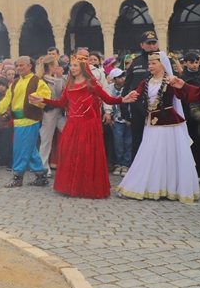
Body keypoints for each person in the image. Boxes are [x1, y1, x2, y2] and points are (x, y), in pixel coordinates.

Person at [30, 56, 137, 199]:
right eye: (71, 65)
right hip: (73, 124)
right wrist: (43, 99)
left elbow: (107, 99)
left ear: (82, 67)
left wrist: (123, 99)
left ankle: (86, 187)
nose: (72, 68)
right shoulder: (69, 83)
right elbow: (62, 103)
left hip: (88, 124)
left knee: (86, 155)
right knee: (70, 153)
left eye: (75, 65)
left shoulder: (91, 83)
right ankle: (70, 186)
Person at [117, 52, 200, 203]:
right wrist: (127, 97)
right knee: (151, 153)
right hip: (152, 124)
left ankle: (171, 188)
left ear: (162, 65)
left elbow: (187, 95)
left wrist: (179, 84)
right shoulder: (145, 82)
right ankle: (151, 186)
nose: (150, 66)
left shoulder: (170, 81)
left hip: (169, 123)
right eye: (149, 64)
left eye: (153, 63)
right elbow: (136, 94)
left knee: (169, 156)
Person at [0, 56, 52, 187]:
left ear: (30, 66)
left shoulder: (37, 81)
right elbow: (6, 100)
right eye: (17, 65)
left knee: (20, 149)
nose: (19, 68)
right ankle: (41, 176)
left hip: (29, 119)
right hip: (18, 121)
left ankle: (18, 177)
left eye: (21, 65)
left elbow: (45, 96)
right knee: (29, 149)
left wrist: (35, 98)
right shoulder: (15, 83)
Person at [121, 31, 160, 158]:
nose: (152, 46)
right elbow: (127, 85)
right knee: (137, 142)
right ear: (142, 45)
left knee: (157, 143)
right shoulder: (136, 62)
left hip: (159, 109)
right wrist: (124, 108)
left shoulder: (165, 60)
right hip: (138, 109)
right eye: (149, 43)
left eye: (154, 43)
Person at [38, 55, 66, 175]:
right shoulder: (42, 80)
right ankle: (43, 167)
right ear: (50, 66)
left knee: (68, 131)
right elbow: (54, 94)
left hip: (60, 111)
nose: (58, 67)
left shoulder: (57, 78)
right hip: (48, 111)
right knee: (46, 139)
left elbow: (61, 94)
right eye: (56, 65)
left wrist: (59, 78)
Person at [103, 69, 132, 175]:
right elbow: (107, 102)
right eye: (119, 77)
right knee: (118, 142)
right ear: (114, 79)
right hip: (116, 120)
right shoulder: (110, 89)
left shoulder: (128, 88)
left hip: (127, 119)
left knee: (128, 142)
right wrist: (109, 116)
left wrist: (130, 118)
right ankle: (119, 163)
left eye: (123, 76)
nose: (122, 79)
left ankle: (126, 164)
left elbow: (131, 103)